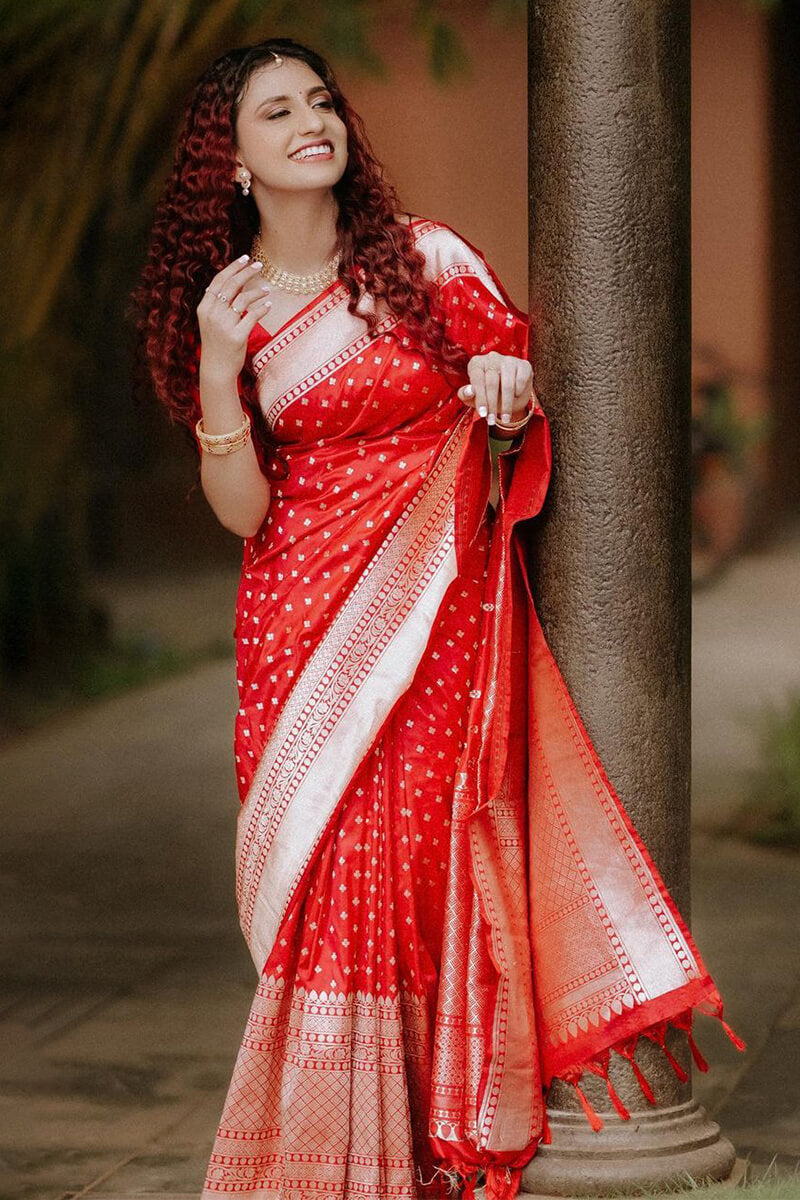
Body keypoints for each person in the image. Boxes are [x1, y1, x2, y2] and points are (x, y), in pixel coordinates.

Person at [133, 36, 744, 1200]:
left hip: (434, 620)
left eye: (321, 100)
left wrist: (506, 399)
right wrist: (219, 371)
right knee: (323, 882)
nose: (313, 121)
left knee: (412, 872)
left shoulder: (425, 261)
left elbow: (501, 393)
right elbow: (244, 511)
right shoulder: (233, 313)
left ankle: (414, 1150)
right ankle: (328, 1155)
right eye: (277, 113)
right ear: (233, 163)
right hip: (301, 628)